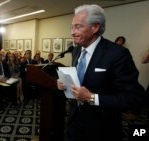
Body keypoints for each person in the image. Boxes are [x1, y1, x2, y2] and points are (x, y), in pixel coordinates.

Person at [57, 4, 144, 141]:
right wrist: (65, 84)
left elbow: (133, 99)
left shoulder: (118, 54)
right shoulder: (76, 50)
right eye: (71, 27)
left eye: (78, 26)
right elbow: (82, 81)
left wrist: (92, 98)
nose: (72, 32)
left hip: (101, 128)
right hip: (74, 122)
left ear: (95, 27)